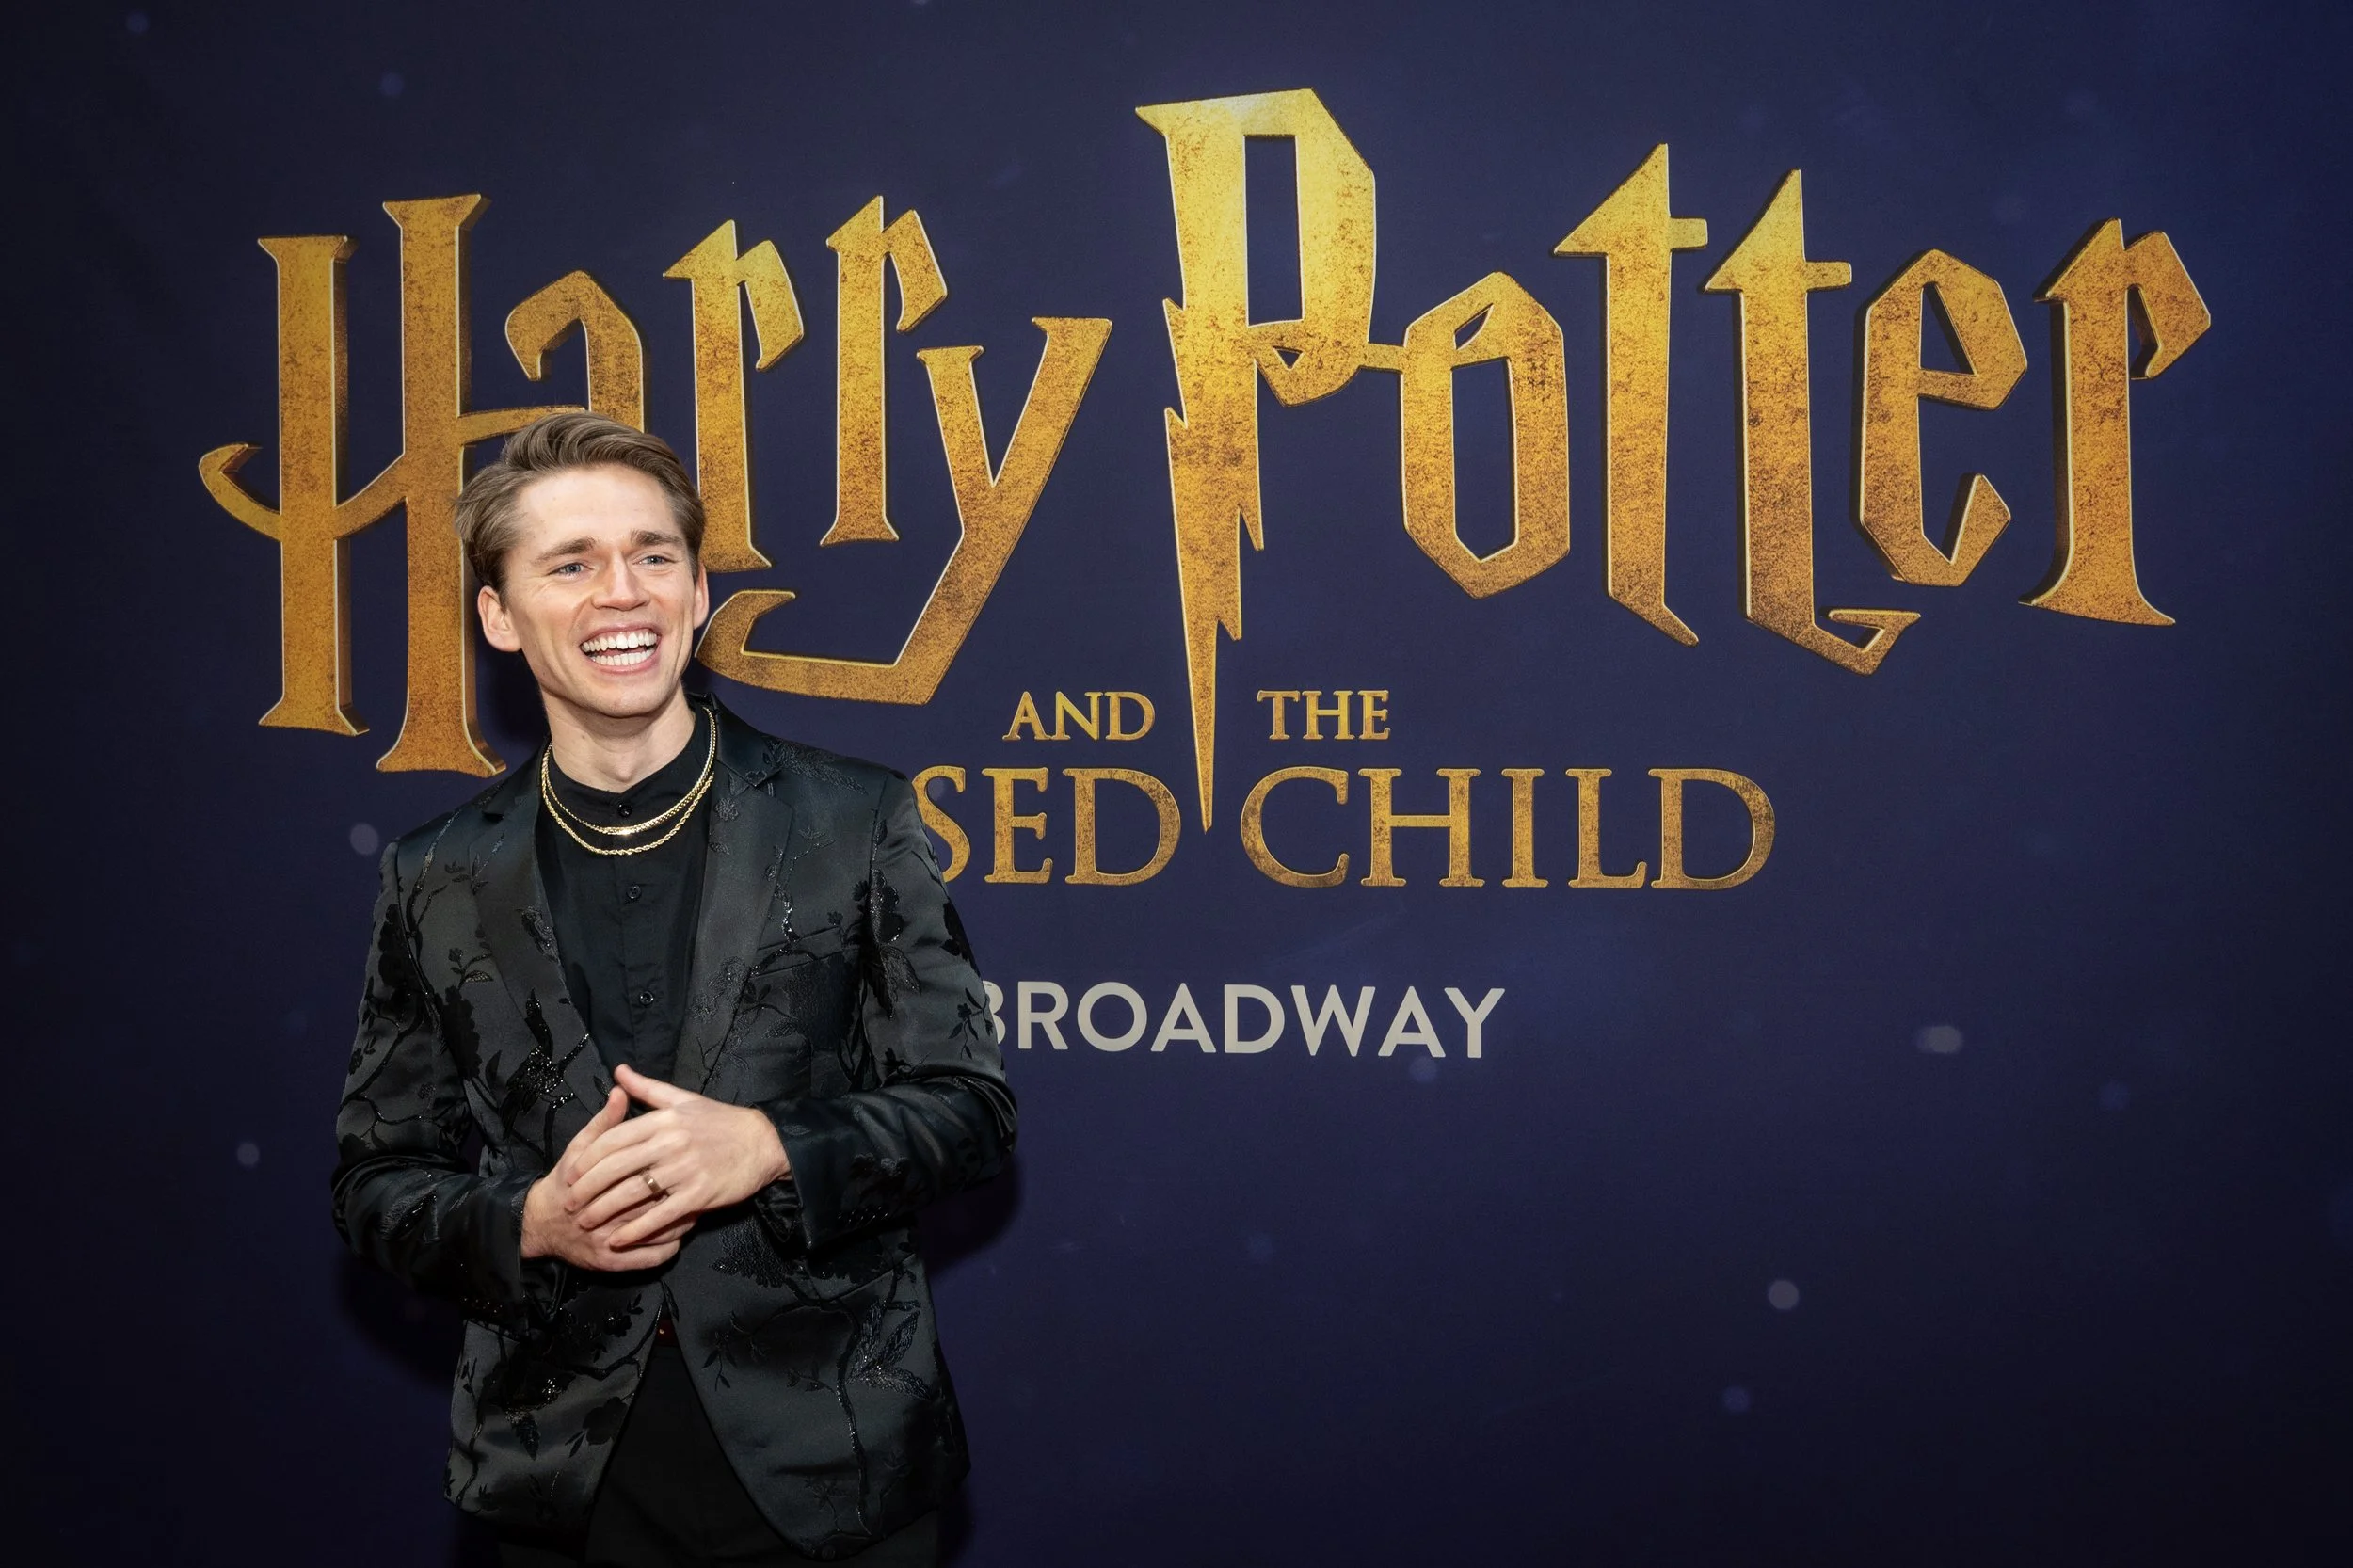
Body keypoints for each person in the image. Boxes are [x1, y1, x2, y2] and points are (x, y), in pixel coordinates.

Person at [330, 411, 1014, 1567]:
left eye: (653, 555)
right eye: (570, 564)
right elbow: (374, 1182)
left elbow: (970, 1107)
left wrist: (770, 1147)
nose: (622, 592)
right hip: (555, 1476)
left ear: (698, 593)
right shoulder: (435, 874)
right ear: (497, 615)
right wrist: (529, 1222)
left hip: (833, 1468)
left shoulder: (853, 819)